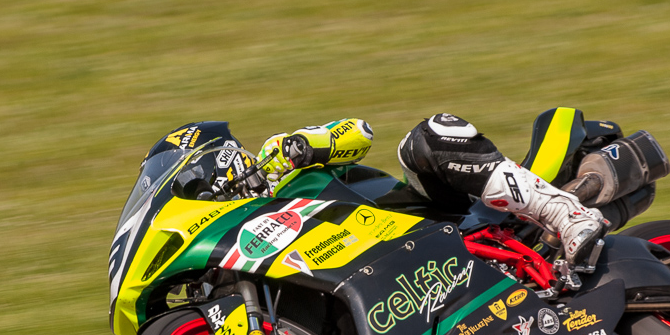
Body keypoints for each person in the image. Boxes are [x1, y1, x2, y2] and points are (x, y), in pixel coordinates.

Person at [258, 114, 606, 265]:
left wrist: (298, 146)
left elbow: (358, 132)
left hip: (422, 216)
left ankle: (566, 214)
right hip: (383, 281)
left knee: (425, 139)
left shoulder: (270, 163)